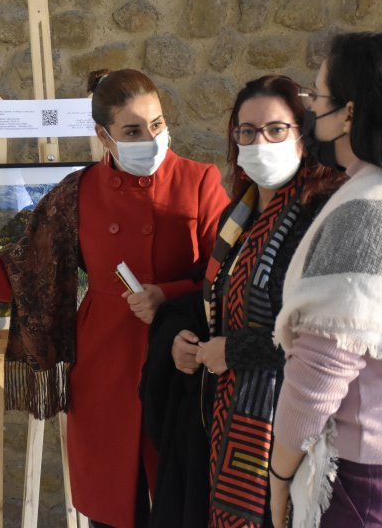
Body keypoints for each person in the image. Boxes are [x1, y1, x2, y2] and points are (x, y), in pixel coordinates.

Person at [0, 68, 230, 527]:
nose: (151, 139)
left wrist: (168, 295)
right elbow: (21, 276)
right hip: (104, 372)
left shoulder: (198, 181)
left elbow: (227, 275)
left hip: (180, 366)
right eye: (132, 131)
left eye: (157, 124)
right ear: (103, 136)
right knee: (113, 512)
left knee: (182, 508)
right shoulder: (77, 193)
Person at [144, 75, 343, 527]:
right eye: (247, 132)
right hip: (225, 419)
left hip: (293, 426)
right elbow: (217, 299)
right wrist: (182, 340)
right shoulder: (239, 217)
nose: (260, 143)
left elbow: (328, 335)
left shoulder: (322, 215)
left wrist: (234, 351)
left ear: (304, 134)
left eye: (276, 130)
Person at [268, 32, 382, 528]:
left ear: (348, 114)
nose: (310, 107)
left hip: (367, 484)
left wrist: (278, 476)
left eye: (317, 96)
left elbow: (321, 370)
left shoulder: (369, 211)